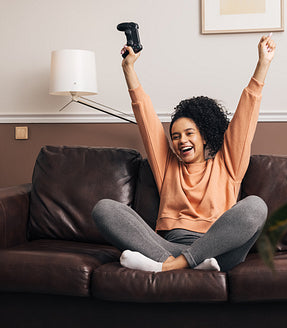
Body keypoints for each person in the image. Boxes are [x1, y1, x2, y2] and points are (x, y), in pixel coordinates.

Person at [92, 34, 276, 272]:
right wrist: (128, 69)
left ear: (204, 136)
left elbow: (246, 115)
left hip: (219, 252)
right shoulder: (167, 167)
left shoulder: (228, 164)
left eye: (189, 133)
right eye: (176, 136)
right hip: (167, 247)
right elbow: (146, 119)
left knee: (257, 206)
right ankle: (184, 263)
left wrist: (263, 63)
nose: (181, 140)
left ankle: (169, 267)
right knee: (104, 208)